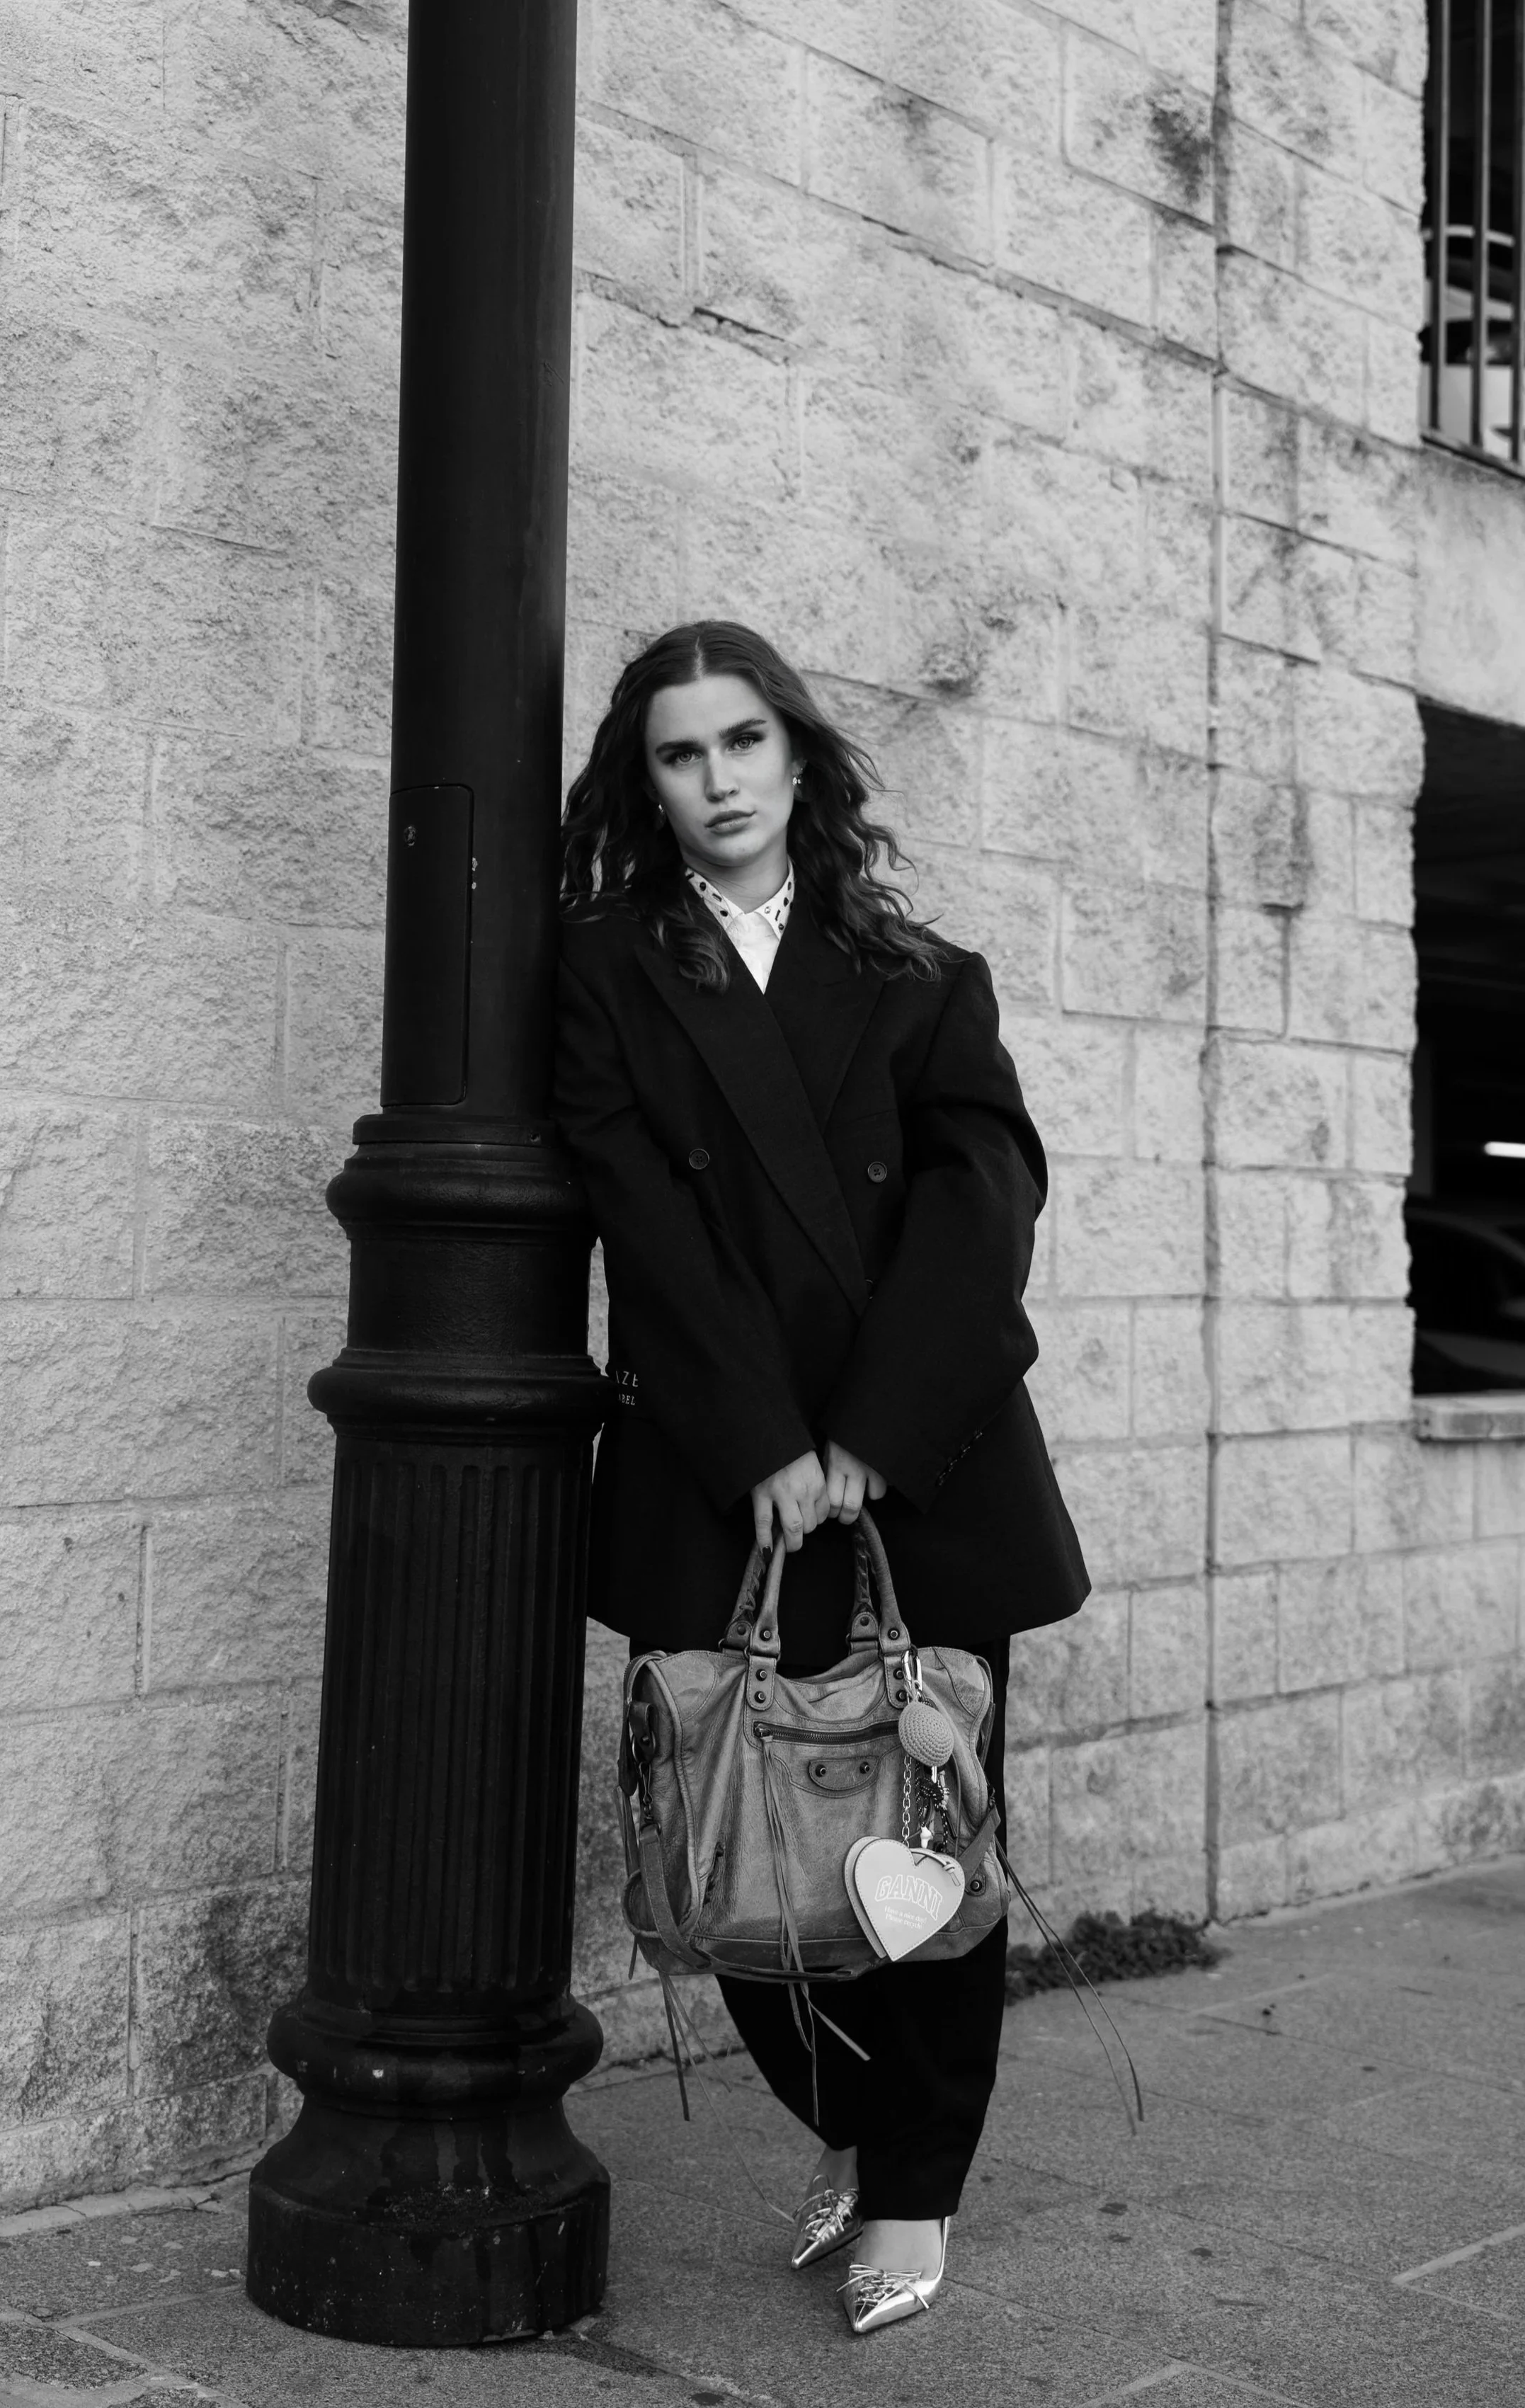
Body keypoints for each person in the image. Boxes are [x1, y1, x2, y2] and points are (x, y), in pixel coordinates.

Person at [554, 620, 1088, 2334]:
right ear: (644, 781)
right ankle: (854, 2128)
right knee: (742, 1852)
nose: (713, 781)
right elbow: (635, 1206)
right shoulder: (607, 967)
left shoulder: (923, 971)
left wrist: (864, 1431)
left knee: (920, 1851)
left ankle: (912, 2181)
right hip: (727, 1472)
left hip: (914, 1468)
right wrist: (764, 1444)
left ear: (797, 757)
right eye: (676, 754)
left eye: (739, 744)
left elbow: (984, 1194)